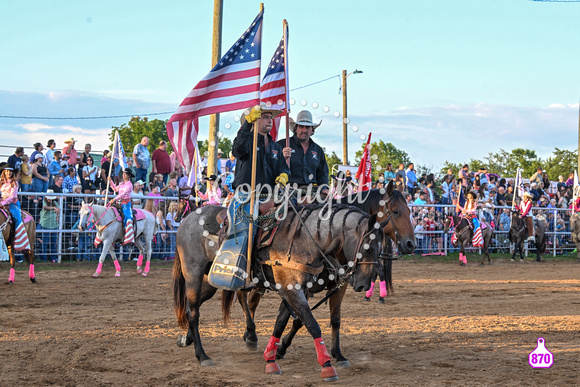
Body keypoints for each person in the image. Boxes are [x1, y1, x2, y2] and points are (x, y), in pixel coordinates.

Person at [232, 104, 290, 191]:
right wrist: (247, 124)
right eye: (265, 117)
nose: (270, 121)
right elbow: (237, 150)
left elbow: (283, 168)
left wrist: (284, 175)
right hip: (246, 195)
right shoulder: (247, 140)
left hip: (269, 196)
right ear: (255, 120)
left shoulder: (276, 147)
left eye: (271, 117)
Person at [279, 110, 329, 196]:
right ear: (296, 128)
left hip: (313, 191)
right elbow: (271, 168)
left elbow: (323, 174)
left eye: (308, 127)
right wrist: (281, 159)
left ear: (312, 130)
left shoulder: (318, 150)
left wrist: (324, 188)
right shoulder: (282, 145)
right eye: (301, 127)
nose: (304, 130)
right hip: (289, 191)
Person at [0, 167, 32, 252]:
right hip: (2, 203)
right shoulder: (1, 182)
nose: (9, 173)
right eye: (7, 171)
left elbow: (12, 197)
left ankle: (18, 237)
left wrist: (2, 203)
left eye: (10, 172)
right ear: (4, 172)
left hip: (12, 204)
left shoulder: (14, 183)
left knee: (17, 218)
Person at [108, 168, 135, 245]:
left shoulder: (129, 184)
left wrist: (114, 198)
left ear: (129, 176)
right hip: (119, 202)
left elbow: (123, 194)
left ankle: (128, 231)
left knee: (127, 216)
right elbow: (115, 189)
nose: (123, 175)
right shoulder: (121, 183)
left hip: (125, 202)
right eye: (123, 173)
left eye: (125, 174)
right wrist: (110, 181)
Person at [38, 189, 59, 262]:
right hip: (45, 224)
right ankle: (43, 258)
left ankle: (52, 258)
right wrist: (54, 208)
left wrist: (57, 215)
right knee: (45, 242)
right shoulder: (44, 202)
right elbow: (45, 207)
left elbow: (58, 211)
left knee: (53, 243)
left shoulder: (55, 203)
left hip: (53, 224)